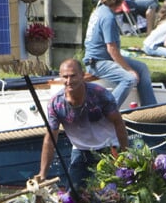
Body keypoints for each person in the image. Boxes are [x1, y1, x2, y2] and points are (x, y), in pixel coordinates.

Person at [37, 59, 130, 187]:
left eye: (73, 76)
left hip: (108, 149)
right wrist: (43, 174)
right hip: (80, 151)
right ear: (60, 77)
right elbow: (50, 139)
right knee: (74, 198)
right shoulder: (55, 104)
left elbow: (118, 123)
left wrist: (125, 155)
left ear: (82, 75)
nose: (69, 81)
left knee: (108, 196)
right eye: (65, 77)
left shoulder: (100, 94)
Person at [84, 0, 157, 110]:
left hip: (103, 59)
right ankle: (107, 111)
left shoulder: (99, 10)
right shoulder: (108, 18)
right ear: (119, 1)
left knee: (142, 68)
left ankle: (150, 108)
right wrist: (129, 69)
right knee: (129, 79)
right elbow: (112, 49)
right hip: (98, 62)